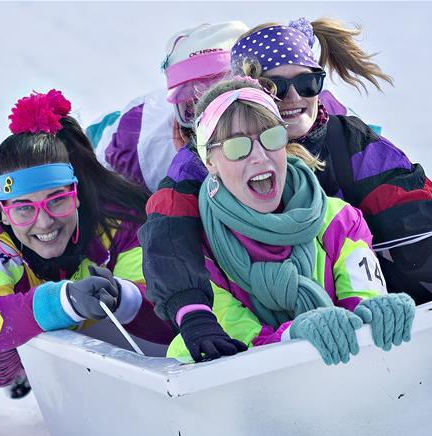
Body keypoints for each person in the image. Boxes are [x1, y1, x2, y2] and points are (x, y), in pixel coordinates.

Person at [139, 17, 432, 362]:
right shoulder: (202, 162)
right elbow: (170, 239)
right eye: (276, 86)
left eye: (307, 83)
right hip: (255, 318)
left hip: (350, 301)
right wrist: (192, 310)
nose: (293, 98)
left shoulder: (345, 144)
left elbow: (403, 207)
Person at [0, 90, 172, 414]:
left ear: (77, 194)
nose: (44, 222)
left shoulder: (115, 218)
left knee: (86, 314)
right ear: (3, 210)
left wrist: (124, 296)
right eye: (24, 209)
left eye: (57, 200)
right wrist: (66, 300)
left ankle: (37, 341)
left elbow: (162, 303)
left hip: (44, 275)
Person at [159, 78, 415, 364]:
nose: (259, 156)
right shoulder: (196, 247)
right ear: (210, 161)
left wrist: (375, 313)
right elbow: (231, 334)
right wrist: (292, 336)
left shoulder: (338, 219)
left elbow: (362, 297)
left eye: (271, 137)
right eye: (236, 146)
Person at [87, 21, 248, 192]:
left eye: (224, 99)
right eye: (194, 103)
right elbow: (95, 164)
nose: (211, 117)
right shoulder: (136, 139)